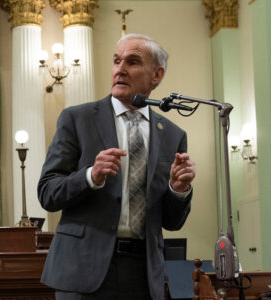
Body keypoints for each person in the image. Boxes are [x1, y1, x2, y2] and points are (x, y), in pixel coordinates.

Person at [38, 33, 196, 300]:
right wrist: (90, 176)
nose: (120, 69)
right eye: (116, 61)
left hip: (143, 274)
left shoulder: (172, 135)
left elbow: (171, 222)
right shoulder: (78, 119)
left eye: (132, 62)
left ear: (156, 75)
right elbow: (47, 192)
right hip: (84, 269)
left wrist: (178, 189)